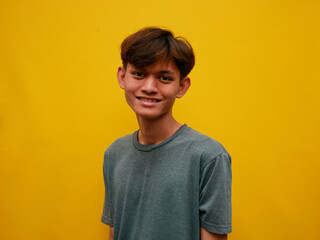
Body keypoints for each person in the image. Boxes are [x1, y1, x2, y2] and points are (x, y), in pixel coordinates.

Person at [101, 27, 232, 240]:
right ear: (122, 77)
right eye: (139, 74)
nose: (150, 87)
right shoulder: (114, 154)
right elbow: (116, 231)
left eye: (164, 77)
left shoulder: (209, 156)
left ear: (181, 86)